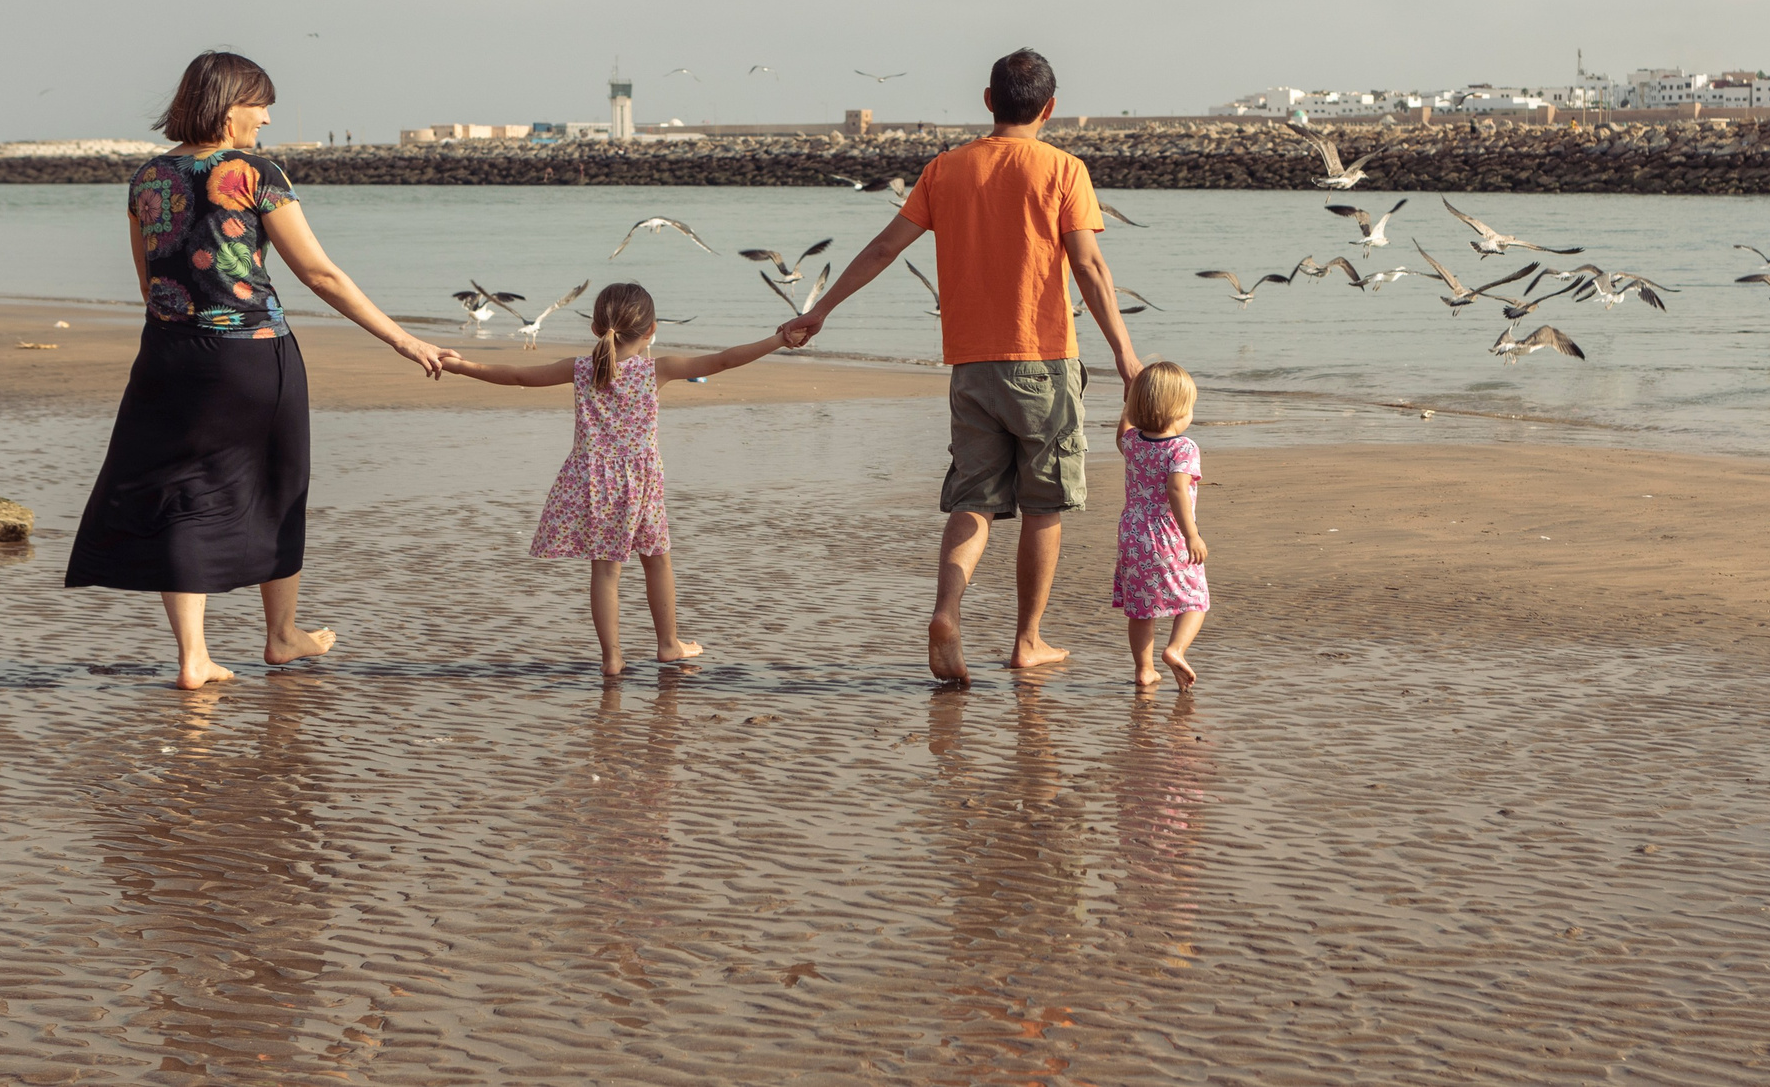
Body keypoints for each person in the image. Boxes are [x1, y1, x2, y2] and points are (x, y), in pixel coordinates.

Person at [66, 50, 446, 690]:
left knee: (181, 492)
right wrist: (402, 339)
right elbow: (319, 274)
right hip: (250, 353)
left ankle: (193, 657)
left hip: (167, 355)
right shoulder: (254, 173)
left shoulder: (147, 177)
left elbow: (149, 283)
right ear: (227, 106)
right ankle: (282, 634)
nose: (266, 118)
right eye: (260, 104)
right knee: (278, 483)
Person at [782, 47, 1141, 684]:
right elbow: (1088, 265)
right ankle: (1027, 640)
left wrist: (821, 310)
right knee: (1043, 506)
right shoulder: (1064, 169)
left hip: (971, 365)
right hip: (1043, 360)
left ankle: (947, 612)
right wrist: (1126, 354)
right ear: (1050, 109)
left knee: (974, 499)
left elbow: (884, 249)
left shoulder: (945, 169)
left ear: (988, 101)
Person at [440, 282, 786, 676]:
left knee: (605, 572)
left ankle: (611, 658)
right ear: (651, 329)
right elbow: (723, 361)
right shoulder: (656, 369)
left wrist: (460, 366)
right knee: (658, 562)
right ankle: (668, 645)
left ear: (595, 328)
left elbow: (518, 374)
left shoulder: (579, 369)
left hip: (594, 482)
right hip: (642, 483)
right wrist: (778, 340)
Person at [1113, 362, 1208, 690]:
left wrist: (1128, 402)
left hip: (1133, 535)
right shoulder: (1183, 448)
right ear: (1178, 413)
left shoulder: (1133, 442)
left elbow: (1122, 433)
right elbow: (1177, 488)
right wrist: (1192, 535)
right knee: (1195, 598)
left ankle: (1144, 670)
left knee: (1141, 609)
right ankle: (1175, 649)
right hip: (1169, 536)